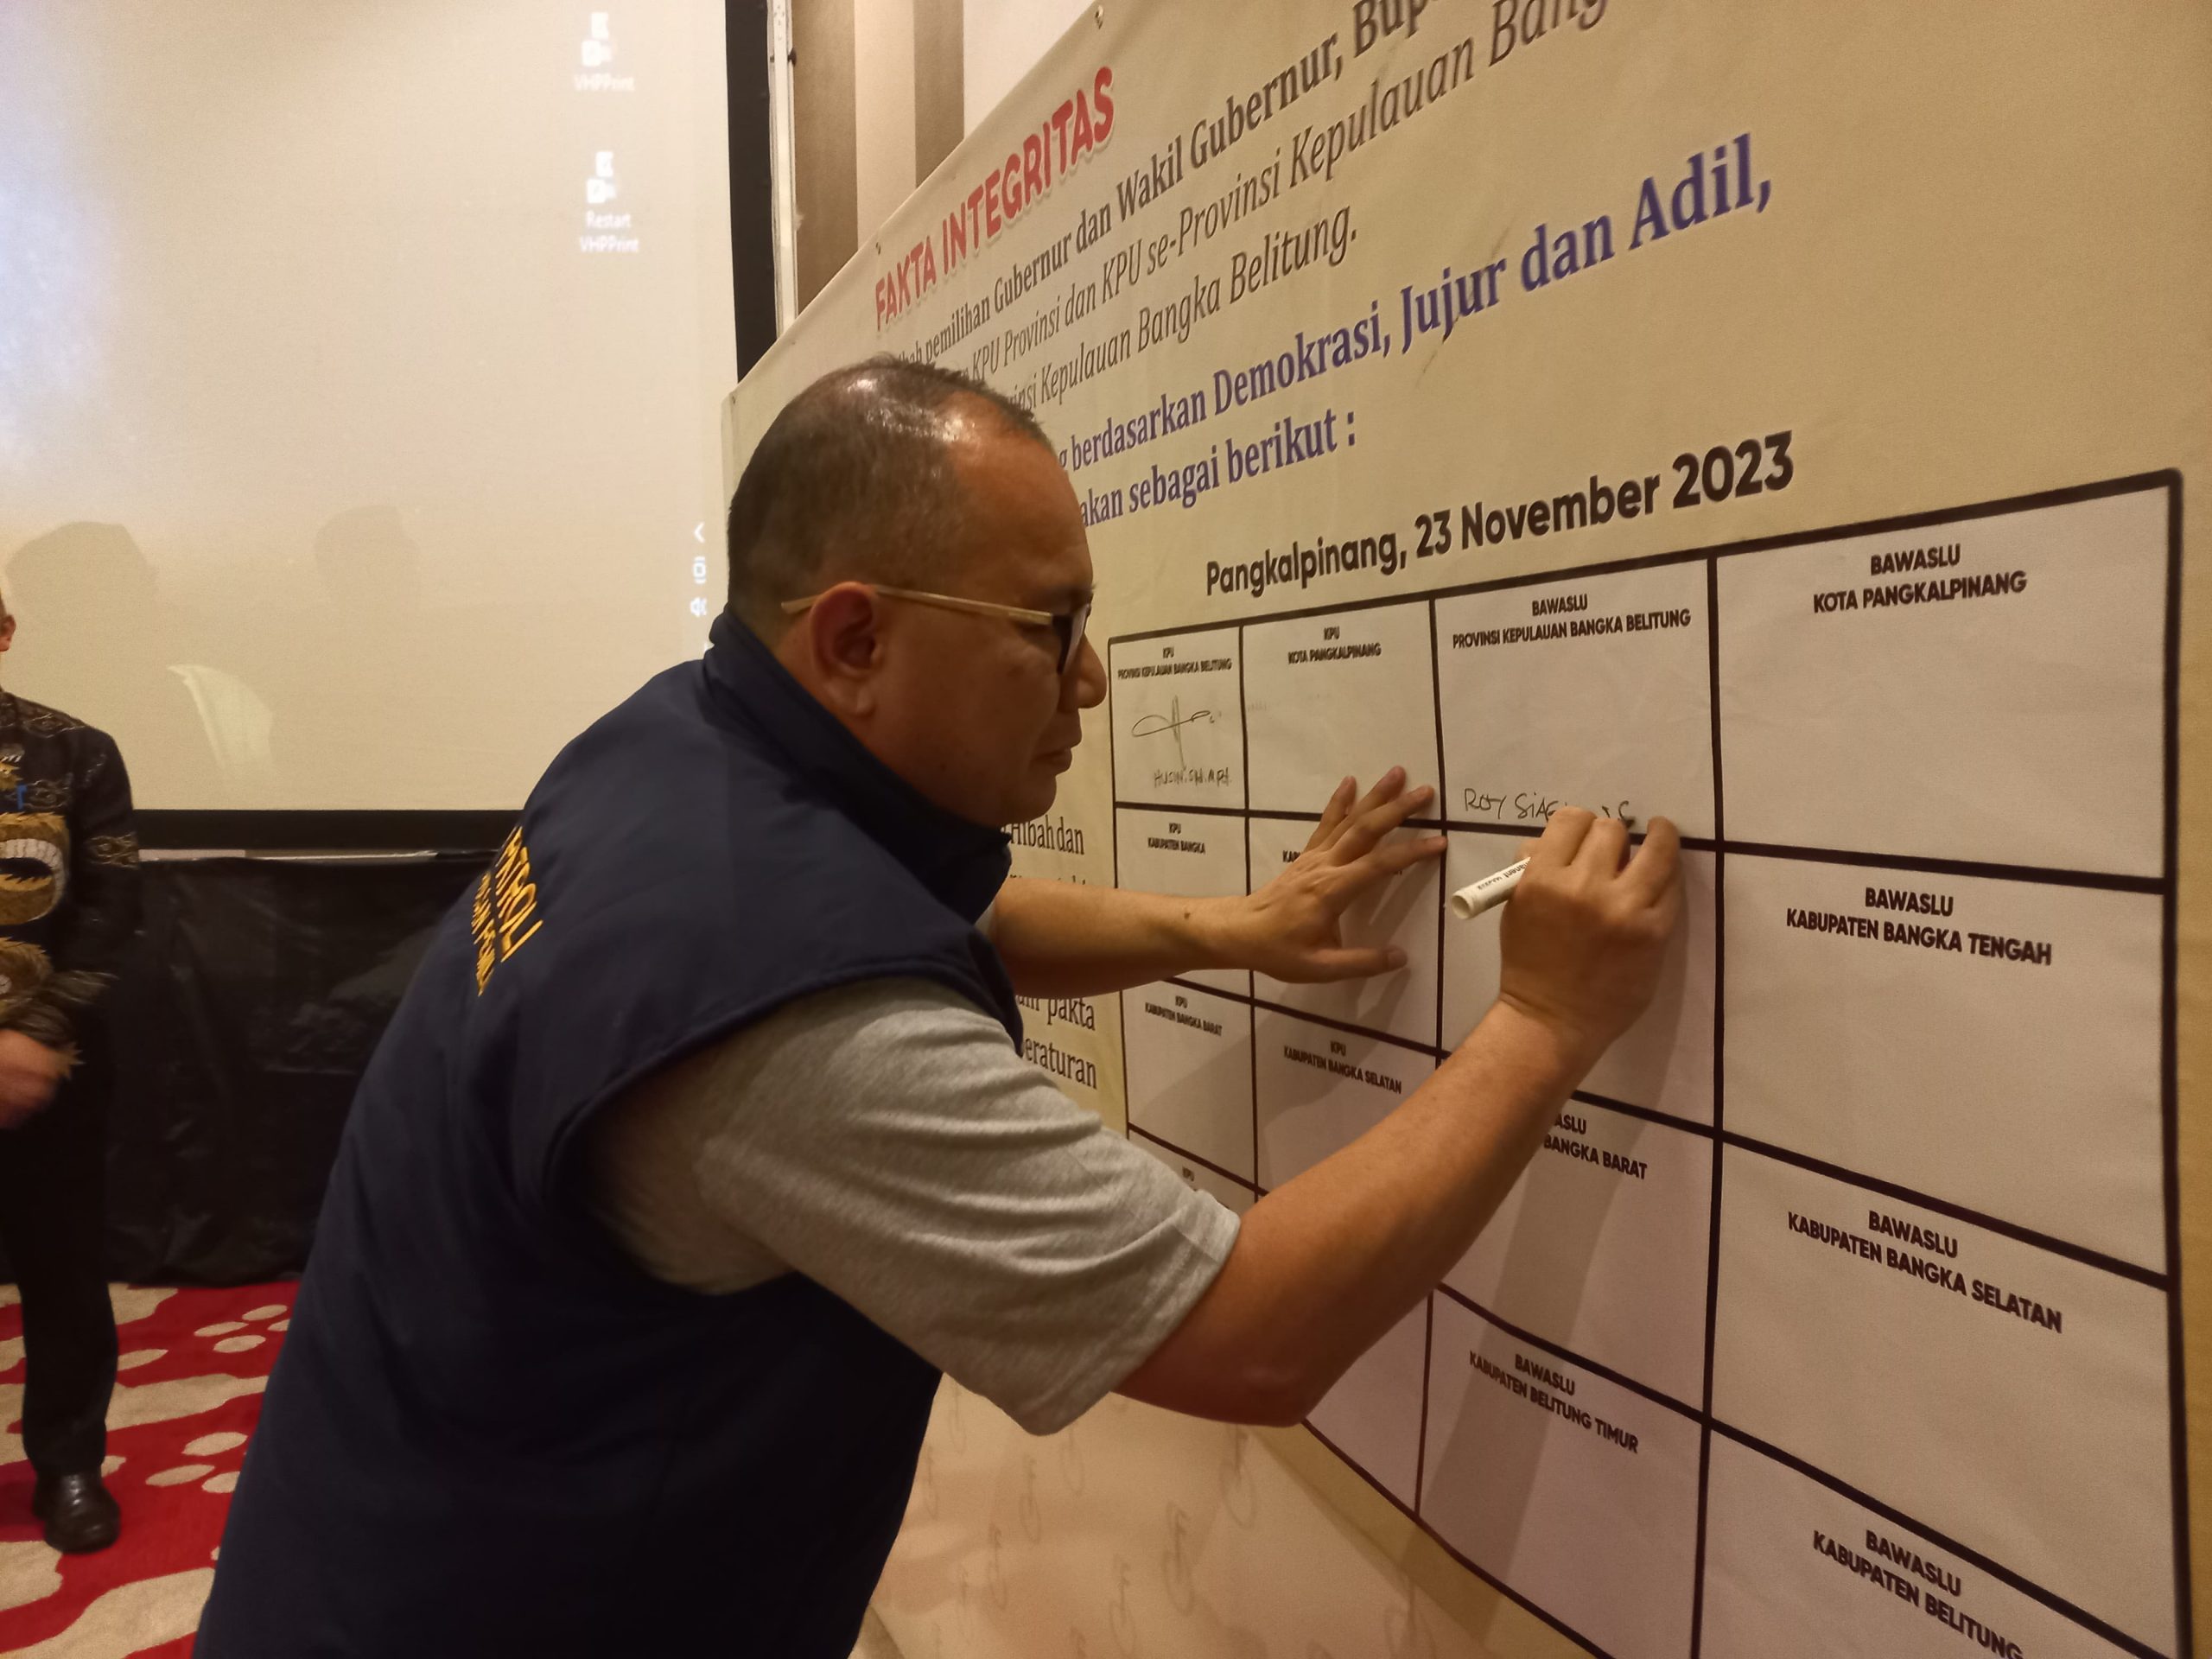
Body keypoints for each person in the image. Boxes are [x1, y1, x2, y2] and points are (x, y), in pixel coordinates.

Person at [199, 359, 1679, 1656]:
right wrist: (1544, 1020)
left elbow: (924, 913)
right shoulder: (794, 1033)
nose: (1091, 680)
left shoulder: (673, 748)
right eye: (1052, 624)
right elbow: (1254, 1335)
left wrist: (1224, 928)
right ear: (853, 642)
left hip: (370, 1541)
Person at [0, 584, 143, 1553]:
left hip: (46, 1065)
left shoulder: (77, 751)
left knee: (62, 1270)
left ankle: (69, 1463)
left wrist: (35, 1032)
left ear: (6, 631)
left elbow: (113, 908)